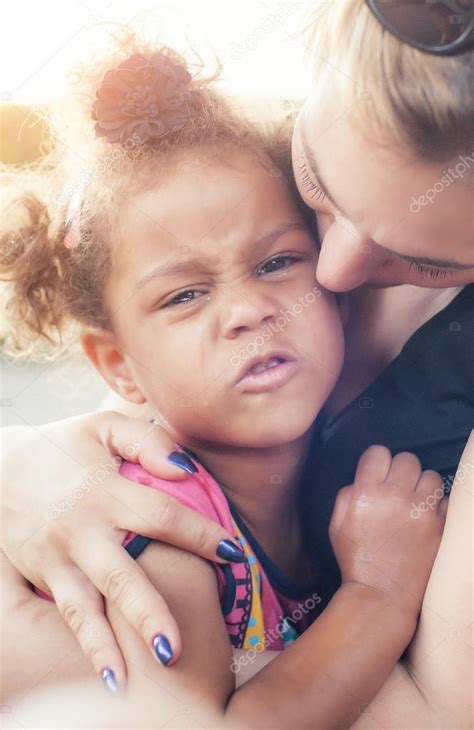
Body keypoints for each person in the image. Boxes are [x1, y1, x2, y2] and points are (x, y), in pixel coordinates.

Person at [1, 0, 473, 725]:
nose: (335, 276)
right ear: (118, 366)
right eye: (186, 294)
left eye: (281, 261)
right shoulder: (163, 530)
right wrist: (376, 596)